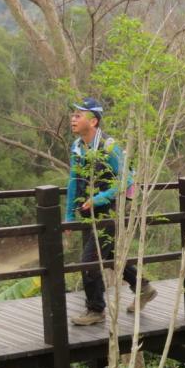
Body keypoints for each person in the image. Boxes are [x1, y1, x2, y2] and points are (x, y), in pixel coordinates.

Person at [66, 97, 156, 326]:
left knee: (89, 261)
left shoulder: (109, 146)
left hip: (110, 212)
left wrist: (99, 198)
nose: (73, 119)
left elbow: (125, 180)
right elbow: (73, 181)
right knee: (108, 256)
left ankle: (96, 310)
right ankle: (143, 287)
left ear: (93, 121)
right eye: (73, 114)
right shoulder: (77, 147)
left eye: (79, 115)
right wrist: (68, 216)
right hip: (87, 213)